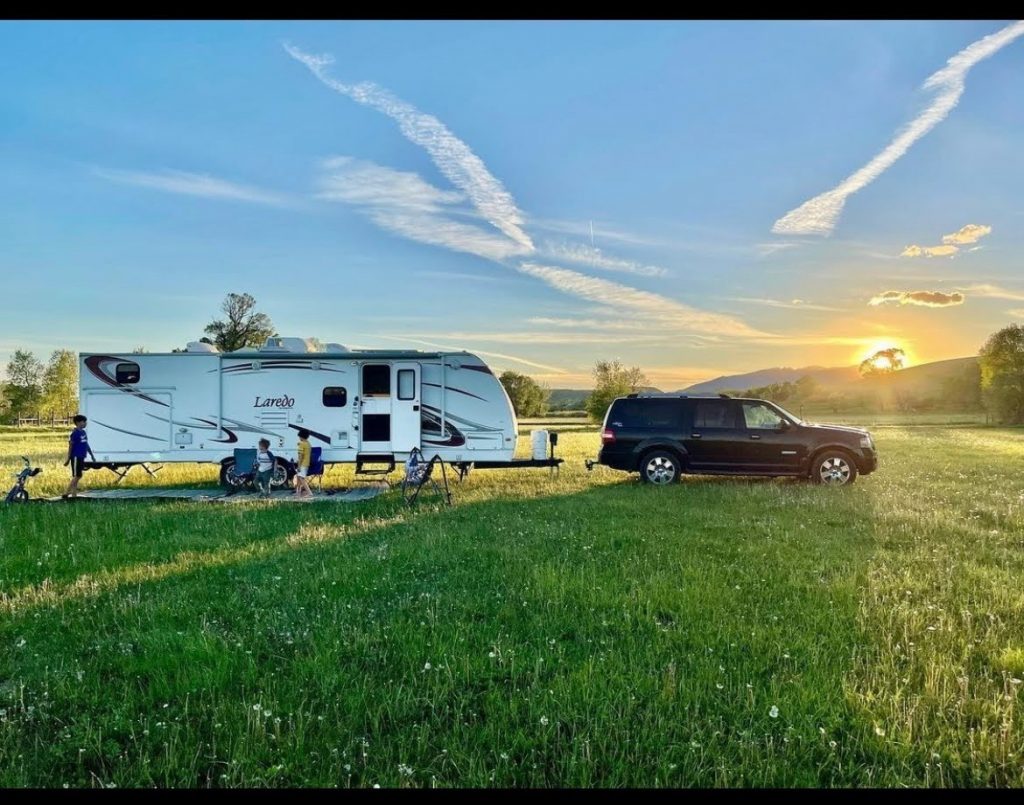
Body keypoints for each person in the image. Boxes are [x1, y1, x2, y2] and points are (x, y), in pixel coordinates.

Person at [62, 414, 96, 499]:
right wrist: (68, 458)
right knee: (77, 475)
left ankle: (74, 494)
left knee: (77, 476)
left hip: (82, 456)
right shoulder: (75, 434)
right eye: (84, 422)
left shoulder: (83, 433)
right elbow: (71, 446)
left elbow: (86, 444)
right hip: (76, 457)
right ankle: (66, 492)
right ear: (78, 422)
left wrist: (91, 455)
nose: (85, 423)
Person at [294, 429, 313, 499]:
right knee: (299, 477)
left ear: (301, 436)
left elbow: (300, 456)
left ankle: (309, 493)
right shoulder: (308, 443)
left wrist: (298, 466)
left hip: (302, 464)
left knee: (301, 478)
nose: (299, 438)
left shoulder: (301, 444)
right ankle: (298, 492)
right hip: (307, 463)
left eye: (299, 436)